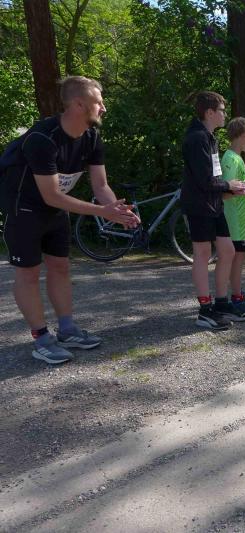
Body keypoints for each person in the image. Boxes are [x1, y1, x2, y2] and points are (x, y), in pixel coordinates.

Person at [0, 76, 140, 364]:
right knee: (28, 273)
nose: (103, 107)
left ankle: (67, 329)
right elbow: (51, 195)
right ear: (78, 105)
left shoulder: (91, 137)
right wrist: (103, 212)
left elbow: (100, 185)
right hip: (24, 208)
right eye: (99, 102)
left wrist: (117, 210)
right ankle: (41, 338)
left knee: (60, 266)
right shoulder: (43, 138)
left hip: (56, 208)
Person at [181, 91, 245, 330]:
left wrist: (230, 187)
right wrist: (230, 186)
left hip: (214, 204)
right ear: (209, 113)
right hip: (199, 205)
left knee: (228, 250)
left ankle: (222, 303)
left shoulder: (210, 137)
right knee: (202, 254)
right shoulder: (196, 138)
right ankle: (205, 310)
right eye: (221, 110)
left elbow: (214, 176)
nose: (225, 114)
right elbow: (204, 180)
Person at [221, 117, 245, 316]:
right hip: (235, 219)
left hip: (242, 219)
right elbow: (226, 192)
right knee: (237, 258)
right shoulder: (230, 158)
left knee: (240, 258)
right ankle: (236, 298)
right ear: (243, 135)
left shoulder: (236, 157)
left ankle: (238, 292)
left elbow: (238, 187)